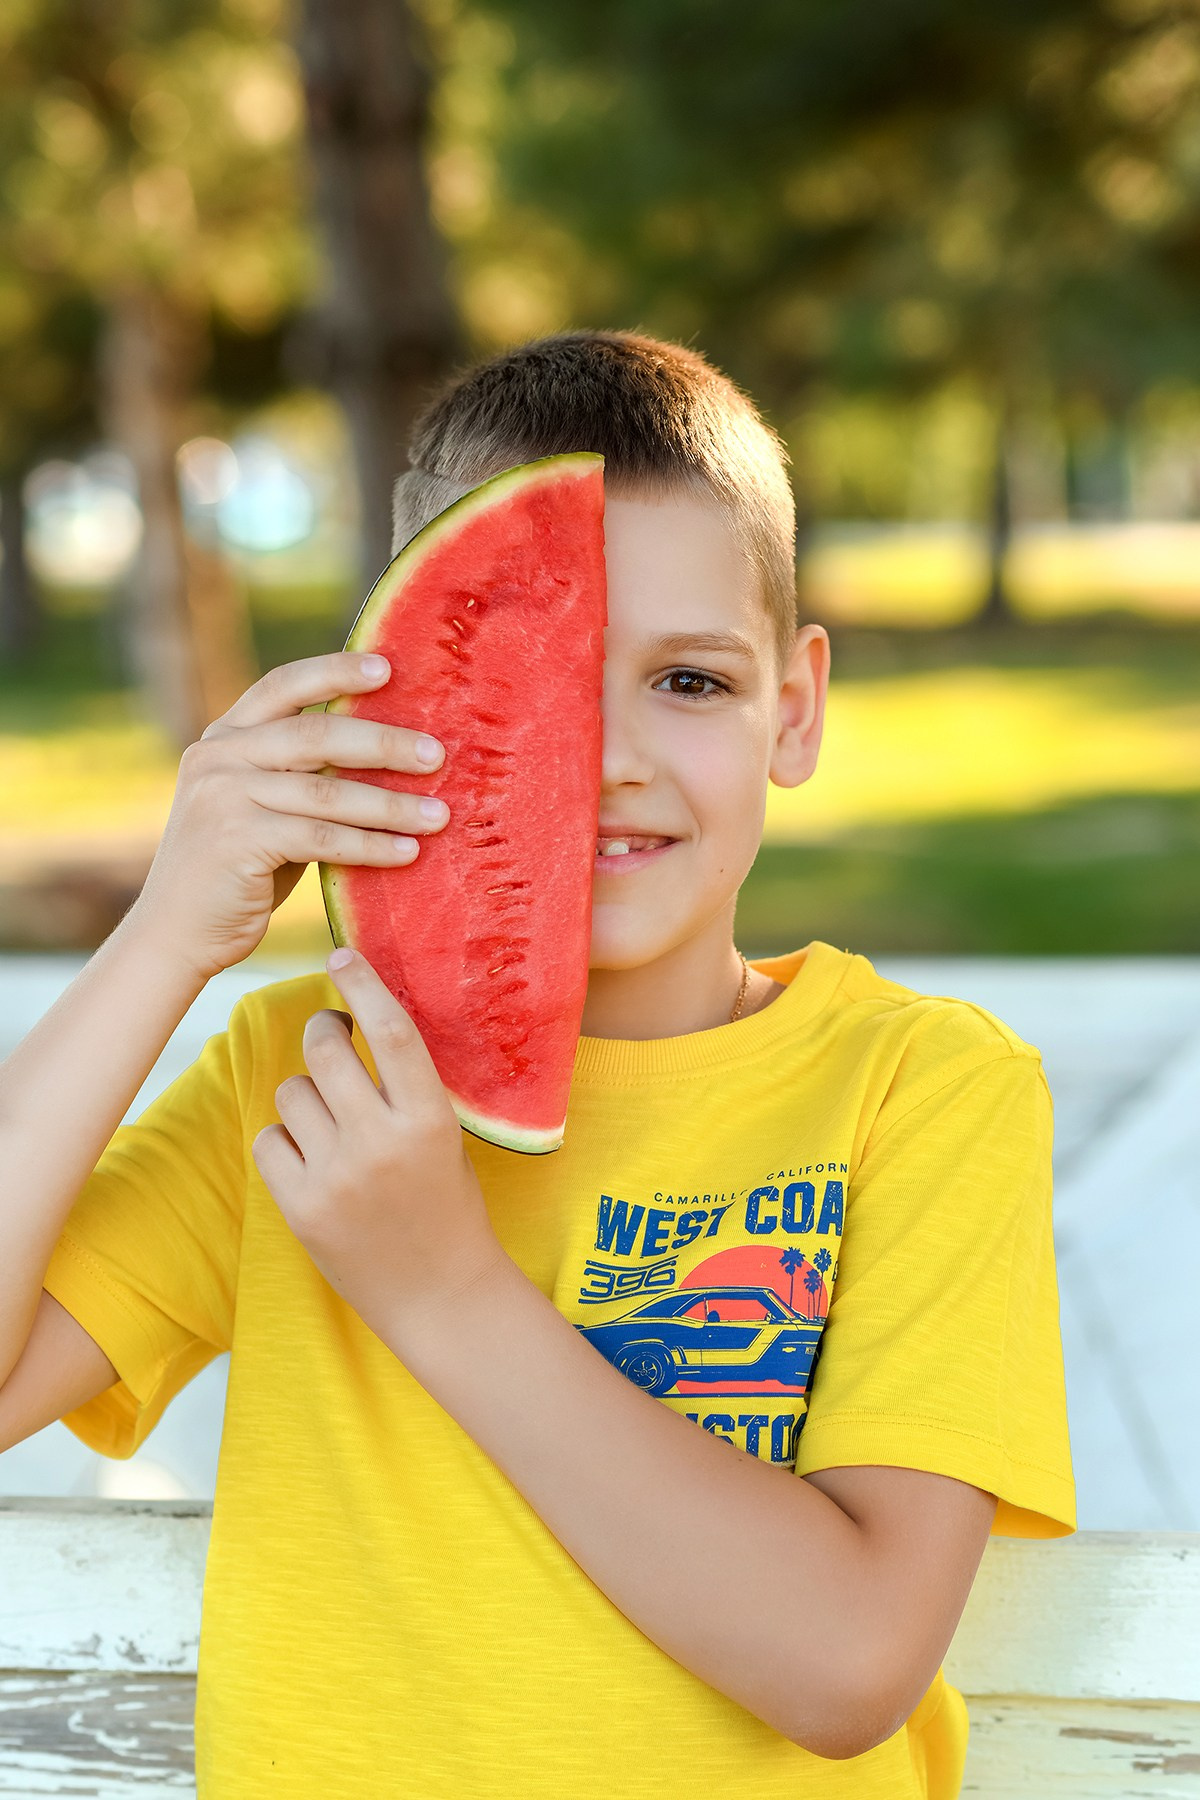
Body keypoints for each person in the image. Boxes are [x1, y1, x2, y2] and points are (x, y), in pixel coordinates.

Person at [0, 329, 1075, 1798]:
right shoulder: (307, 1078)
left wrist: (440, 1285)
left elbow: (849, 1665)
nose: (606, 759)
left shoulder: (922, 1091)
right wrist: (161, 944)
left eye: (689, 682)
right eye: (520, 682)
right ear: (389, 705)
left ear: (798, 707)